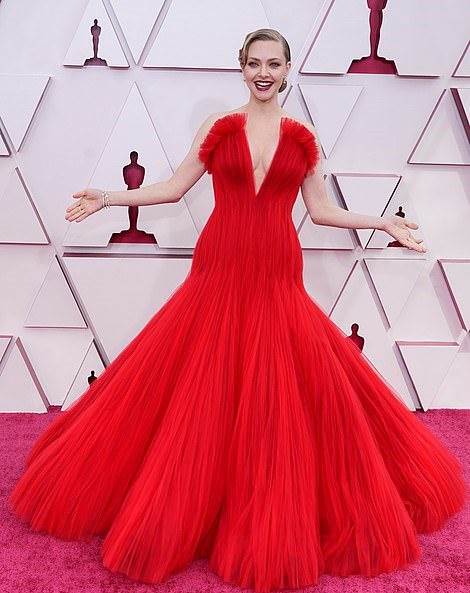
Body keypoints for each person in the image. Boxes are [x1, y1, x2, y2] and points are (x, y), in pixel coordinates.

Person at [9, 28, 466, 593]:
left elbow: (321, 211)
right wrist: (108, 197)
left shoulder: (304, 137)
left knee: (275, 396)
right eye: (254, 63)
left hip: (276, 273)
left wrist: (383, 223)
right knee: (205, 391)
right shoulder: (219, 127)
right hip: (219, 269)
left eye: (273, 63)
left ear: (288, 69)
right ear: (242, 68)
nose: (263, 72)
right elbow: (172, 189)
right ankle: (193, 509)